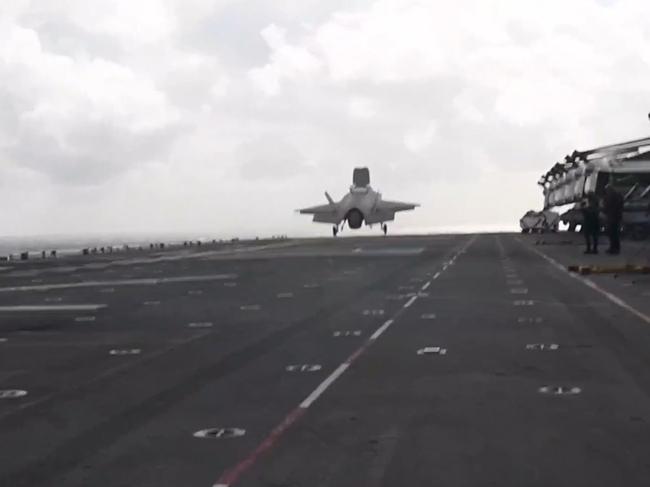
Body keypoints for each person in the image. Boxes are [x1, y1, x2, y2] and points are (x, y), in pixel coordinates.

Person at [603, 184, 624, 254]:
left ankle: (614, 248)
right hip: (615, 217)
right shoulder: (617, 196)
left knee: (612, 234)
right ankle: (614, 248)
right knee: (614, 234)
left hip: (613, 217)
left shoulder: (612, 197)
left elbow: (608, 207)